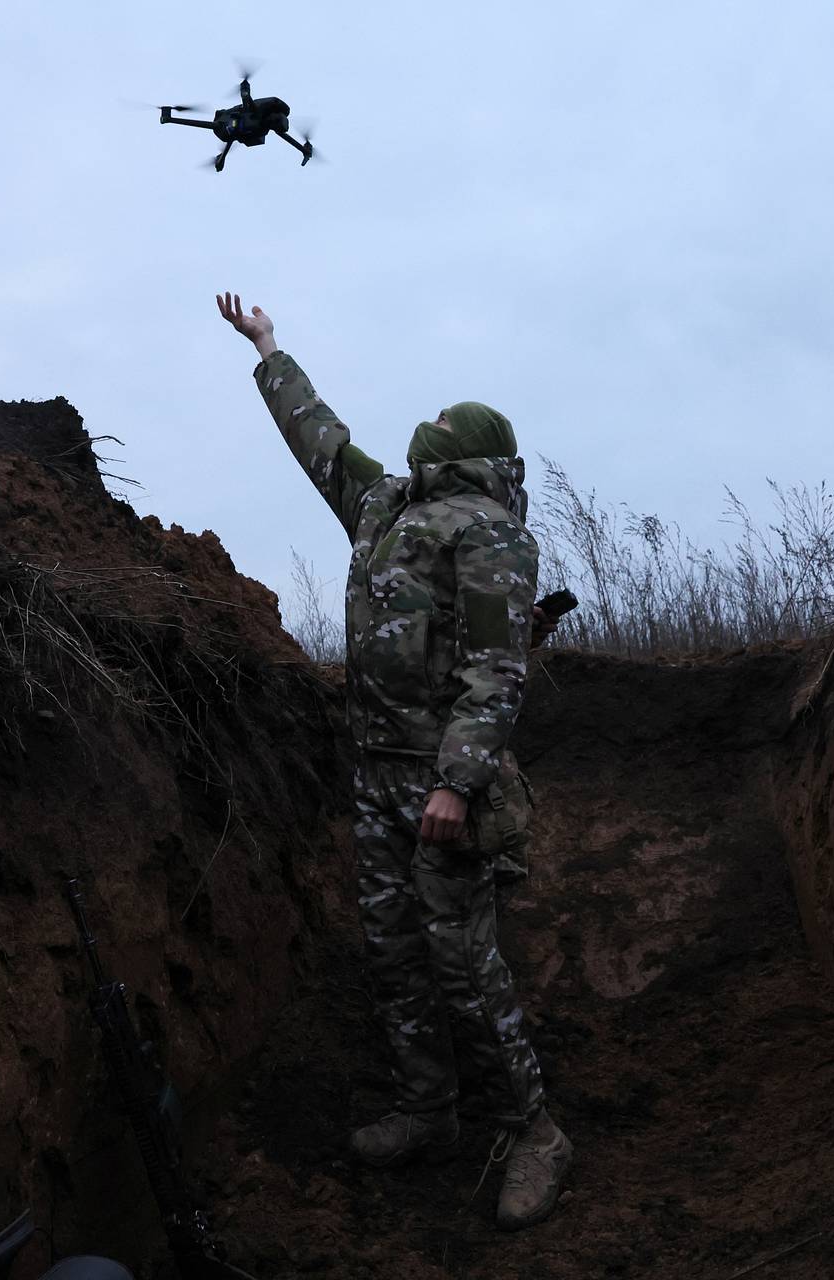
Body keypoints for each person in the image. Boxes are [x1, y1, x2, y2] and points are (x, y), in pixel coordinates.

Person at [216, 293, 572, 1231]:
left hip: (439, 787)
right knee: (393, 954)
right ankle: (429, 1111)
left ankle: (534, 1133)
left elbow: (498, 674)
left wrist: (457, 783)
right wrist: (269, 351)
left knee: (464, 960)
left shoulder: (490, 533)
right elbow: (319, 440)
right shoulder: (382, 505)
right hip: (374, 780)